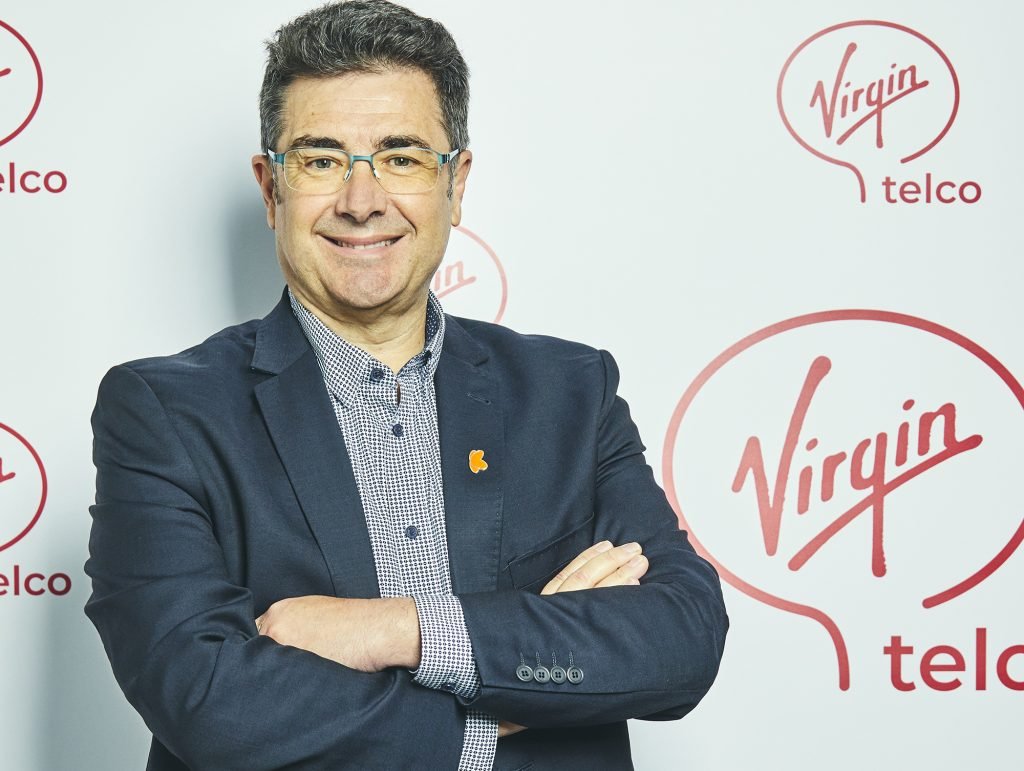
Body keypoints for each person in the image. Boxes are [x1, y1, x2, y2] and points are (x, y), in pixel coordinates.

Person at [84, 1, 729, 769]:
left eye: (401, 157)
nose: (362, 201)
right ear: (270, 187)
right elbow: (208, 699)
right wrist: (500, 699)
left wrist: (397, 630)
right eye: (321, 160)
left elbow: (680, 637)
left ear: (455, 183)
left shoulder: (570, 394)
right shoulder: (165, 414)